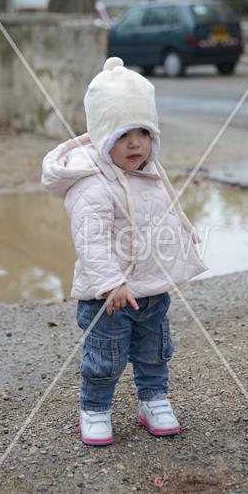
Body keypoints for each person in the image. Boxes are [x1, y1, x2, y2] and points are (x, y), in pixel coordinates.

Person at [42, 57, 207, 446]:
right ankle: (94, 408)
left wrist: (179, 245)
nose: (135, 143)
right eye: (122, 135)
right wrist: (110, 283)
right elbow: (91, 241)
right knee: (105, 358)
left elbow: (159, 220)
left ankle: (153, 400)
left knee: (155, 353)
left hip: (151, 291)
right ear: (102, 138)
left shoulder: (149, 173)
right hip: (110, 298)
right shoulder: (92, 186)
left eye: (143, 132)